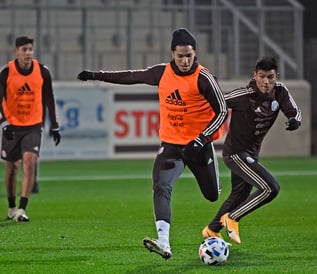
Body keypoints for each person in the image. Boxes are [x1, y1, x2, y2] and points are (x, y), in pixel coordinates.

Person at [77, 28, 228, 259]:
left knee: (212, 196)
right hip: (171, 146)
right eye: (181, 56)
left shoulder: (204, 78)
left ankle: (214, 189)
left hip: (198, 146)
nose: (185, 60)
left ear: (195, 53)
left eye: (189, 55)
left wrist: (201, 138)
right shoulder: (161, 73)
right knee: (161, 187)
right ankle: (164, 242)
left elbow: (222, 112)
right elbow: (130, 76)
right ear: (172, 54)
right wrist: (96, 75)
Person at [202, 56, 301, 244]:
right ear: (254, 75)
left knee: (240, 194)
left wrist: (295, 120)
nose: (266, 81)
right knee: (271, 188)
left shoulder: (280, 92)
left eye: (270, 77)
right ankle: (232, 218)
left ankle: (212, 230)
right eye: (262, 76)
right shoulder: (243, 95)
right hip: (235, 153)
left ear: (276, 76)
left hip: (251, 153)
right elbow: (218, 101)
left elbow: (294, 111)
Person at [0, 35, 61, 222]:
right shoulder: (6, 72)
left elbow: (49, 98)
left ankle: (22, 209)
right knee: (12, 168)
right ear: (16, 51)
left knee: (29, 162)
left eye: (30, 49)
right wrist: (4, 122)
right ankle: (11, 206)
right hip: (12, 125)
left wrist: (55, 125)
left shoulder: (42, 72)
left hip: (33, 125)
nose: (28, 53)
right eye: (24, 50)